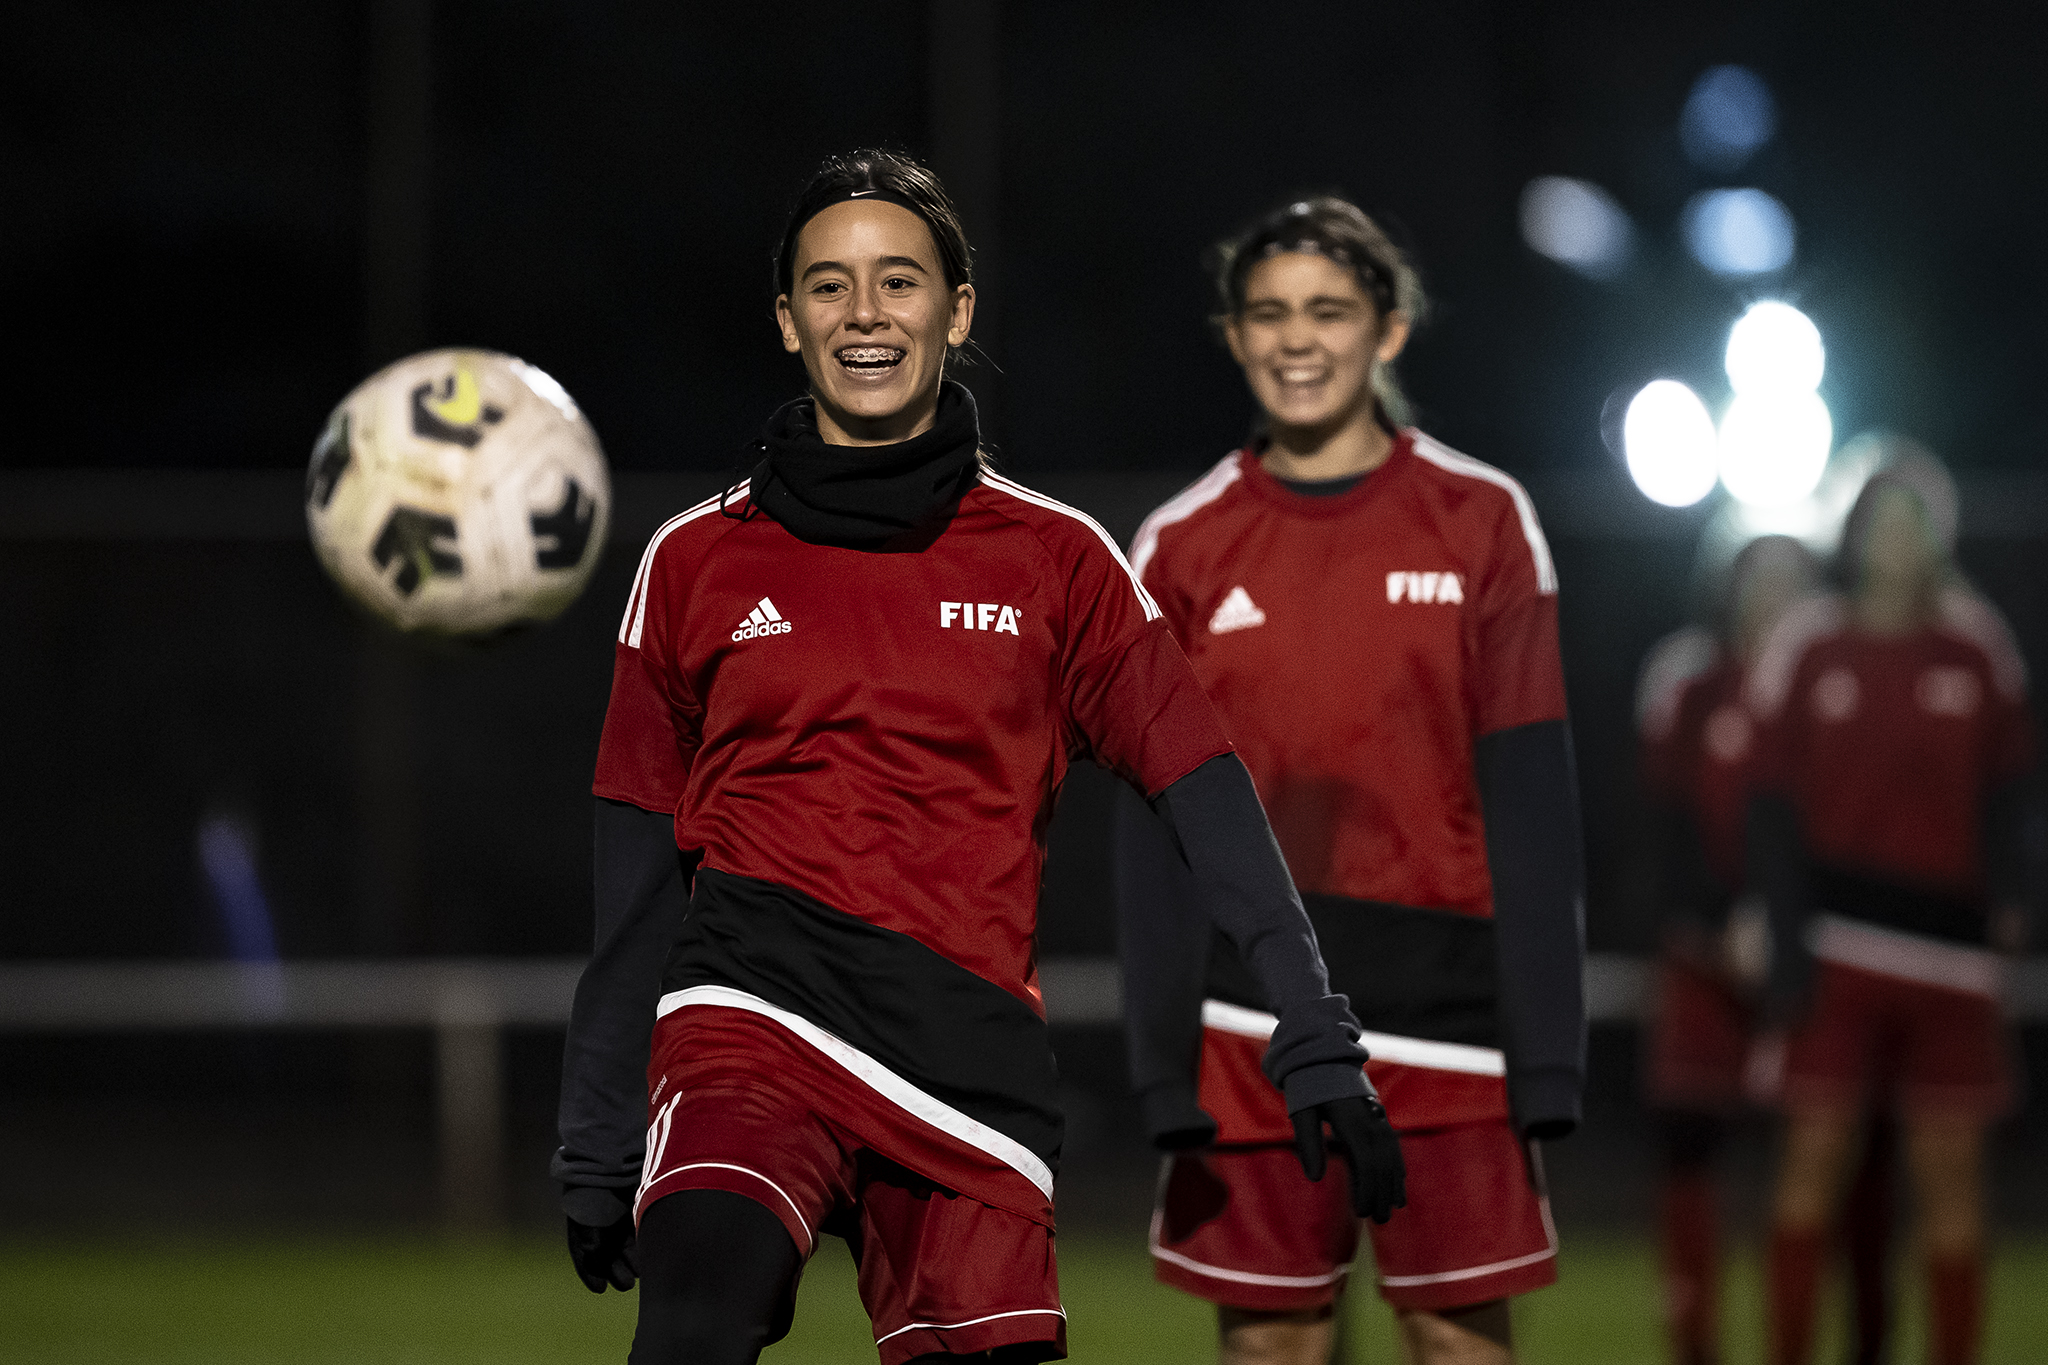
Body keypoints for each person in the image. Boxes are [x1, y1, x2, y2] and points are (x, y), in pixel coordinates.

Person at [549, 151, 1405, 1365]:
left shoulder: (1057, 562)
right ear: (787, 322)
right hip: (749, 1020)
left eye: (897, 281)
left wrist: (1311, 1025)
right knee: (696, 1317)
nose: (864, 314)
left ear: (955, 310)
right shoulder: (693, 563)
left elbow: (1207, 804)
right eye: (829, 286)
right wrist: (597, 1127)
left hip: (965, 1063)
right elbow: (633, 883)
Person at [1120, 196, 1585, 1365]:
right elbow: (1152, 832)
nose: (1295, 337)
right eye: (1267, 312)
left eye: (1327, 310)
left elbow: (1532, 807)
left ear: (1387, 329)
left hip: (1449, 1024)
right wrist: (1155, 1056)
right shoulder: (1179, 545)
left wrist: (1545, 1056)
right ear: (1232, 335)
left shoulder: (1481, 521)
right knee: (1273, 1348)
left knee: (1453, 1341)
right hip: (1252, 1025)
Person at [1746, 453, 2035, 1365]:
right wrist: (1783, 933)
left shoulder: (1979, 647)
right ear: (1858, 533)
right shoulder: (1811, 643)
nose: (1898, 539)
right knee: (1815, 1156)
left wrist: (2017, 902)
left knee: (1950, 1175)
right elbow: (1769, 804)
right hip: (1841, 946)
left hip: (1951, 953)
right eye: (1883, 520)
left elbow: (2014, 791)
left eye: (1916, 522)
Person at [1636, 535, 1900, 1365]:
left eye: (1795, 581)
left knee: (1844, 1153)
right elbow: (1656, 823)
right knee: (1692, 1140)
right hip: (1706, 958)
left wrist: (1795, 926)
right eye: (1762, 580)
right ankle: (1695, 1338)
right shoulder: (1688, 680)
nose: (1777, 598)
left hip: (1817, 955)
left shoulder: (1837, 680)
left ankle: (1860, 1336)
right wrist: (1713, 924)